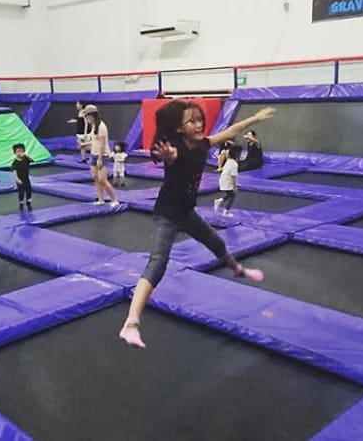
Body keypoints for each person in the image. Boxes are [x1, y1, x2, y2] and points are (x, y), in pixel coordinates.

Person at [119, 100, 274, 349]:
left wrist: (255, 118)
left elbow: (230, 131)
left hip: (186, 212)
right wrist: (168, 156)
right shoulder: (176, 149)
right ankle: (131, 323)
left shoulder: (203, 144)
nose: (199, 124)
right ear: (179, 128)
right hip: (167, 214)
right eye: (191, 121)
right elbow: (172, 157)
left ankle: (238, 269)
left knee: (215, 242)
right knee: (157, 263)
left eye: (199, 119)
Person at [81, 104, 119, 206]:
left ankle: (114, 199)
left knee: (102, 179)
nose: (86, 118)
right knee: (95, 177)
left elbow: (102, 144)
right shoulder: (93, 125)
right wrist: (84, 145)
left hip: (102, 155)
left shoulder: (101, 126)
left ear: (92, 115)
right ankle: (101, 199)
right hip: (93, 154)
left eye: (87, 116)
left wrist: (100, 159)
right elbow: (95, 141)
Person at [214, 144, 242, 217]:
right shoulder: (234, 164)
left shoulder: (229, 160)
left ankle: (219, 201)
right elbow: (233, 177)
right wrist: (235, 186)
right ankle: (226, 212)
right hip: (227, 181)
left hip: (223, 179)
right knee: (233, 195)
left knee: (229, 194)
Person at [11, 143, 33, 210]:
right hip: (20, 180)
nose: (20, 153)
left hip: (26, 179)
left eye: (21, 151)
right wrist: (17, 179)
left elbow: (32, 160)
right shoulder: (15, 162)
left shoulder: (26, 159)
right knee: (21, 192)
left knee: (29, 191)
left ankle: (28, 202)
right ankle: (21, 203)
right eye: (18, 151)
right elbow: (14, 171)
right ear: (15, 153)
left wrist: (26, 155)